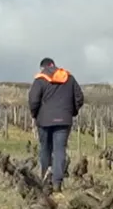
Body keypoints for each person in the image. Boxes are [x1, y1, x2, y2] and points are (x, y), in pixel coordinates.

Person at [28, 57, 84, 192]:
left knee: (45, 149)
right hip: (64, 120)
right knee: (60, 151)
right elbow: (79, 98)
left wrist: (35, 114)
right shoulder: (69, 78)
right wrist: (72, 111)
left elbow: (33, 100)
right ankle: (57, 183)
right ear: (53, 65)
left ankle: (45, 180)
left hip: (44, 120)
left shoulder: (40, 79)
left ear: (43, 67)